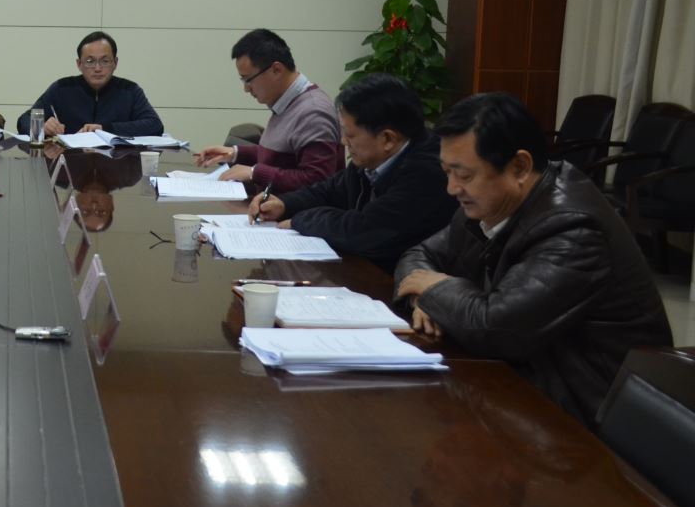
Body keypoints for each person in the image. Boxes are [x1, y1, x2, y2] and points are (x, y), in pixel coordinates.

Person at [394, 93, 673, 426]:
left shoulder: (573, 228)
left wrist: (433, 290)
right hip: (525, 378)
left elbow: (498, 328)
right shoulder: (491, 202)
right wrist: (426, 296)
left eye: (464, 175)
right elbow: (418, 254)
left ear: (520, 167)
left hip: (586, 413)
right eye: (447, 172)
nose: (452, 188)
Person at [250, 73, 456, 271]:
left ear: (387, 139)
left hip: (397, 284)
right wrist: (285, 204)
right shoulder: (372, 158)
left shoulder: (429, 173)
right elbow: (330, 190)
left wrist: (300, 220)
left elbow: (366, 230)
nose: (343, 142)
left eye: (350, 135)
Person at [193, 28, 342, 192]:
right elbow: (283, 157)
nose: (246, 89)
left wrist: (254, 173)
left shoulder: (313, 112)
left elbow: (318, 181)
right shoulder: (287, 102)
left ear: (276, 70)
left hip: (293, 209)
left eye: (248, 79)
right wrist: (235, 153)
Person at [17, 31, 163, 138]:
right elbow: (23, 121)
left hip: (117, 166)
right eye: (90, 61)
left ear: (115, 63)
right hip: (71, 165)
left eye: (105, 61)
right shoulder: (62, 88)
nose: (97, 68)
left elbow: (154, 125)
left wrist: (104, 129)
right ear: (79, 64)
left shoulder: (129, 90)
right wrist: (41, 127)